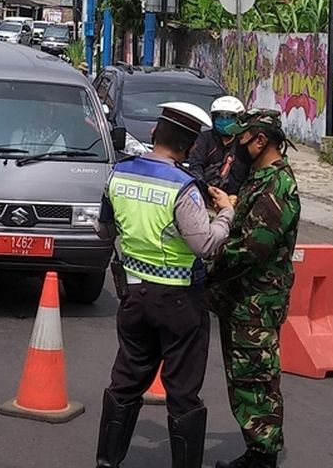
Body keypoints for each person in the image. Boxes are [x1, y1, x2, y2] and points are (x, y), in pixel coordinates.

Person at [94, 102, 236, 468]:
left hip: (133, 295)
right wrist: (226, 215)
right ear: (189, 148)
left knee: (126, 379)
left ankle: (107, 462)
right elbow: (204, 244)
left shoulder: (119, 174)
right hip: (179, 302)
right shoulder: (183, 188)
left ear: (154, 135)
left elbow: (103, 230)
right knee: (183, 390)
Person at [207, 109, 302, 468]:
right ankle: (256, 451)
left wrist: (210, 265)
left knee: (256, 380)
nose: (236, 145)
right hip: (243, 300)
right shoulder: (259, 178)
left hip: (256, 302)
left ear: (261, 140)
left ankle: (262, 457)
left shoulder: (277, 184)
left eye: (242, 139)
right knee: (243, 379)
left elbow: (251, 248)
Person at [188, 95, 250, 196]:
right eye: (220, 116)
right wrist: (204, 188)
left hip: (236, 199)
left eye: (229, 117)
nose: (224, 121)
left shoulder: (244, 142)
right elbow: (196, 164)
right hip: (207, 195)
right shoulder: (205, 139)